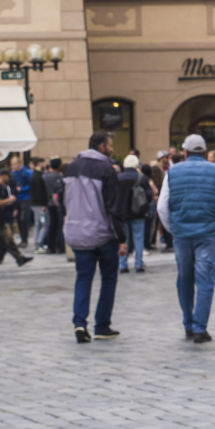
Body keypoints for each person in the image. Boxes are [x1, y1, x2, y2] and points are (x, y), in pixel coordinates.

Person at [156, 133, 215, 343]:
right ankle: (200, 327)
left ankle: (188, 323)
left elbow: (162, 206)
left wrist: (172, 229)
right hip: (208, 233)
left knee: (184, 279)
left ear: (185, 153)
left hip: (182, 233)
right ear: (205, 152)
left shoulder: (172, 171)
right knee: (205, 280)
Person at [63, 132, 128, 341]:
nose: (112, 149)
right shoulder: (106, 169)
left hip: (77, 232)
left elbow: (61, 199)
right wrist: (122, 238)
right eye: (110, 145)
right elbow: (113, 207)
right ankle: (102, 325)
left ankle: (80, 323)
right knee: (108, 278)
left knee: (83, 278)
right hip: (102, 232)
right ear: (101, 146)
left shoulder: (71, 167)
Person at [117, 153, 152, 274]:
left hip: (123, 214)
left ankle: (122, 264)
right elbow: (149, 194)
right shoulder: (141, 177)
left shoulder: (119, 178)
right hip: (138, 213)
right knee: (138, 238)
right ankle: (138, 264)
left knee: (123, 239)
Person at [43, 159, 65, 257]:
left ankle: (50, 246)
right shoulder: (60, 177)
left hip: (49, 202)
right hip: (57, 203)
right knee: (59, 225)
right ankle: (59, 246)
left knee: (51, 224)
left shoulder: (46, 176)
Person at [10, 155, 33, 246]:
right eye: (12, 164)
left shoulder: (27, 172)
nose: (13, 166)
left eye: (15, 164)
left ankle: (24, 239)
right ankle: (22, 239)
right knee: (19, 219)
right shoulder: (13, 174)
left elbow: (31, 185)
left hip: (25, 198)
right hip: (17, 198)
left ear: (19, 163)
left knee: (24, 219)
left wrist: (22, 189)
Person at [28, 158, 49, 251]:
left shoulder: (35, 176)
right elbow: (40, 192)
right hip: (39, 205)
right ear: (40, 164)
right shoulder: (38, 177)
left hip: (34, 204)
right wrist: (43, 204)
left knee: (38, 224)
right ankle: (39, 242)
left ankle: (37, 243)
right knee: (45, 223)